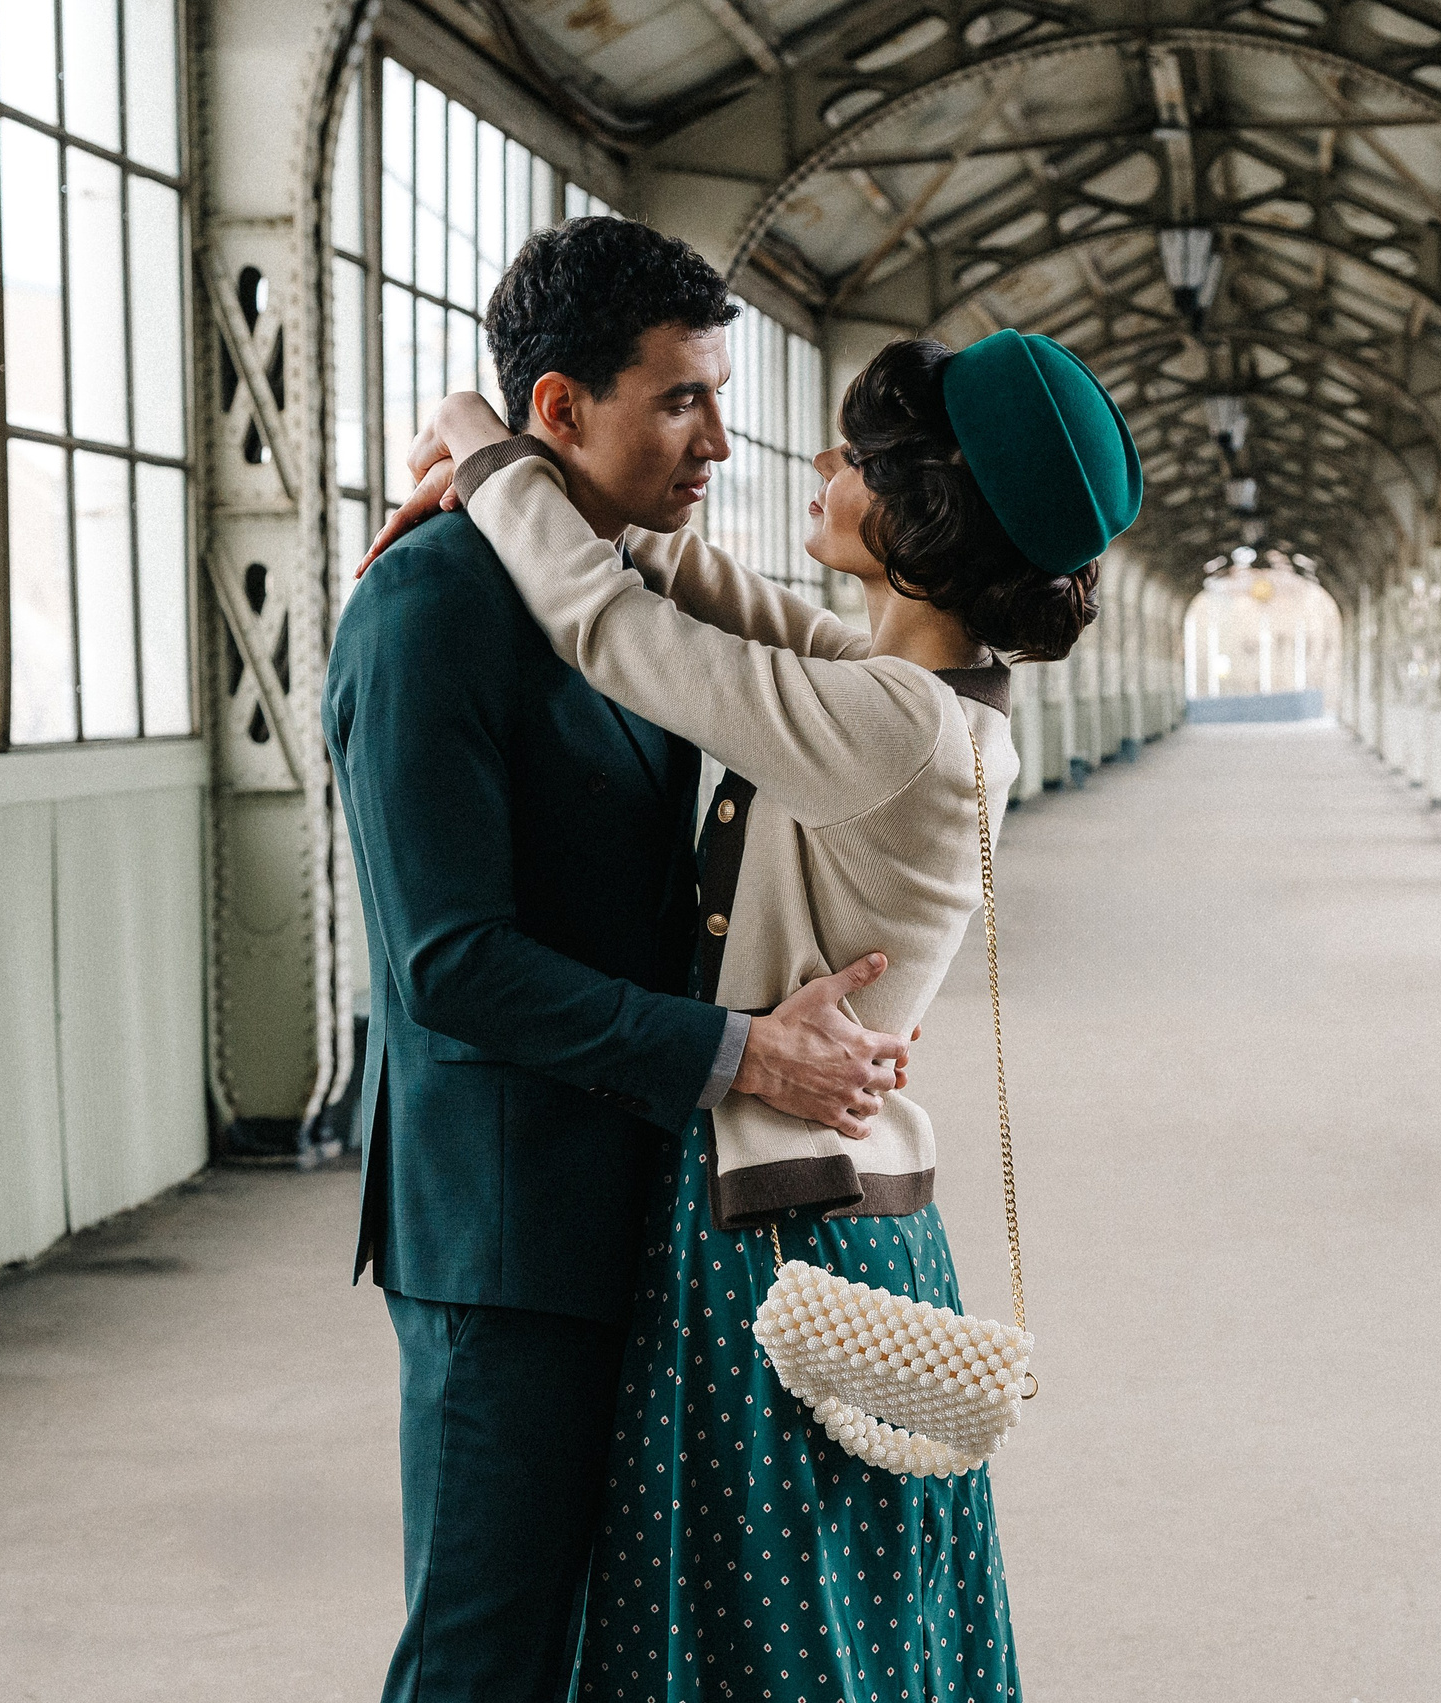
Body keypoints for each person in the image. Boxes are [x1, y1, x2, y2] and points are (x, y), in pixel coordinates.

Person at [377, 308, 1139, 1696]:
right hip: (846, 1214)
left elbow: (621, 630)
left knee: (767, 1634)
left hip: (779, 1234)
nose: (823, 470)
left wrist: (488, 454)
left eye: (862, 460)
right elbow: (704, 587)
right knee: (828, 1618)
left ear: (924, 516)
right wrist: (524, 462)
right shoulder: (921, 695)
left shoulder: (892, 726)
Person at [322, 218, 923, 1703]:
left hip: (649, 1210)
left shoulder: (634, 589)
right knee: (488, 1649)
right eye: (681, 401)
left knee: (624, 1647)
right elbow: (451, 965)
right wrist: (742, 1051)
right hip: (507, 1235)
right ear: (560, 408)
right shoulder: (427, 607)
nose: (718, 441)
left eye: (721, 398)